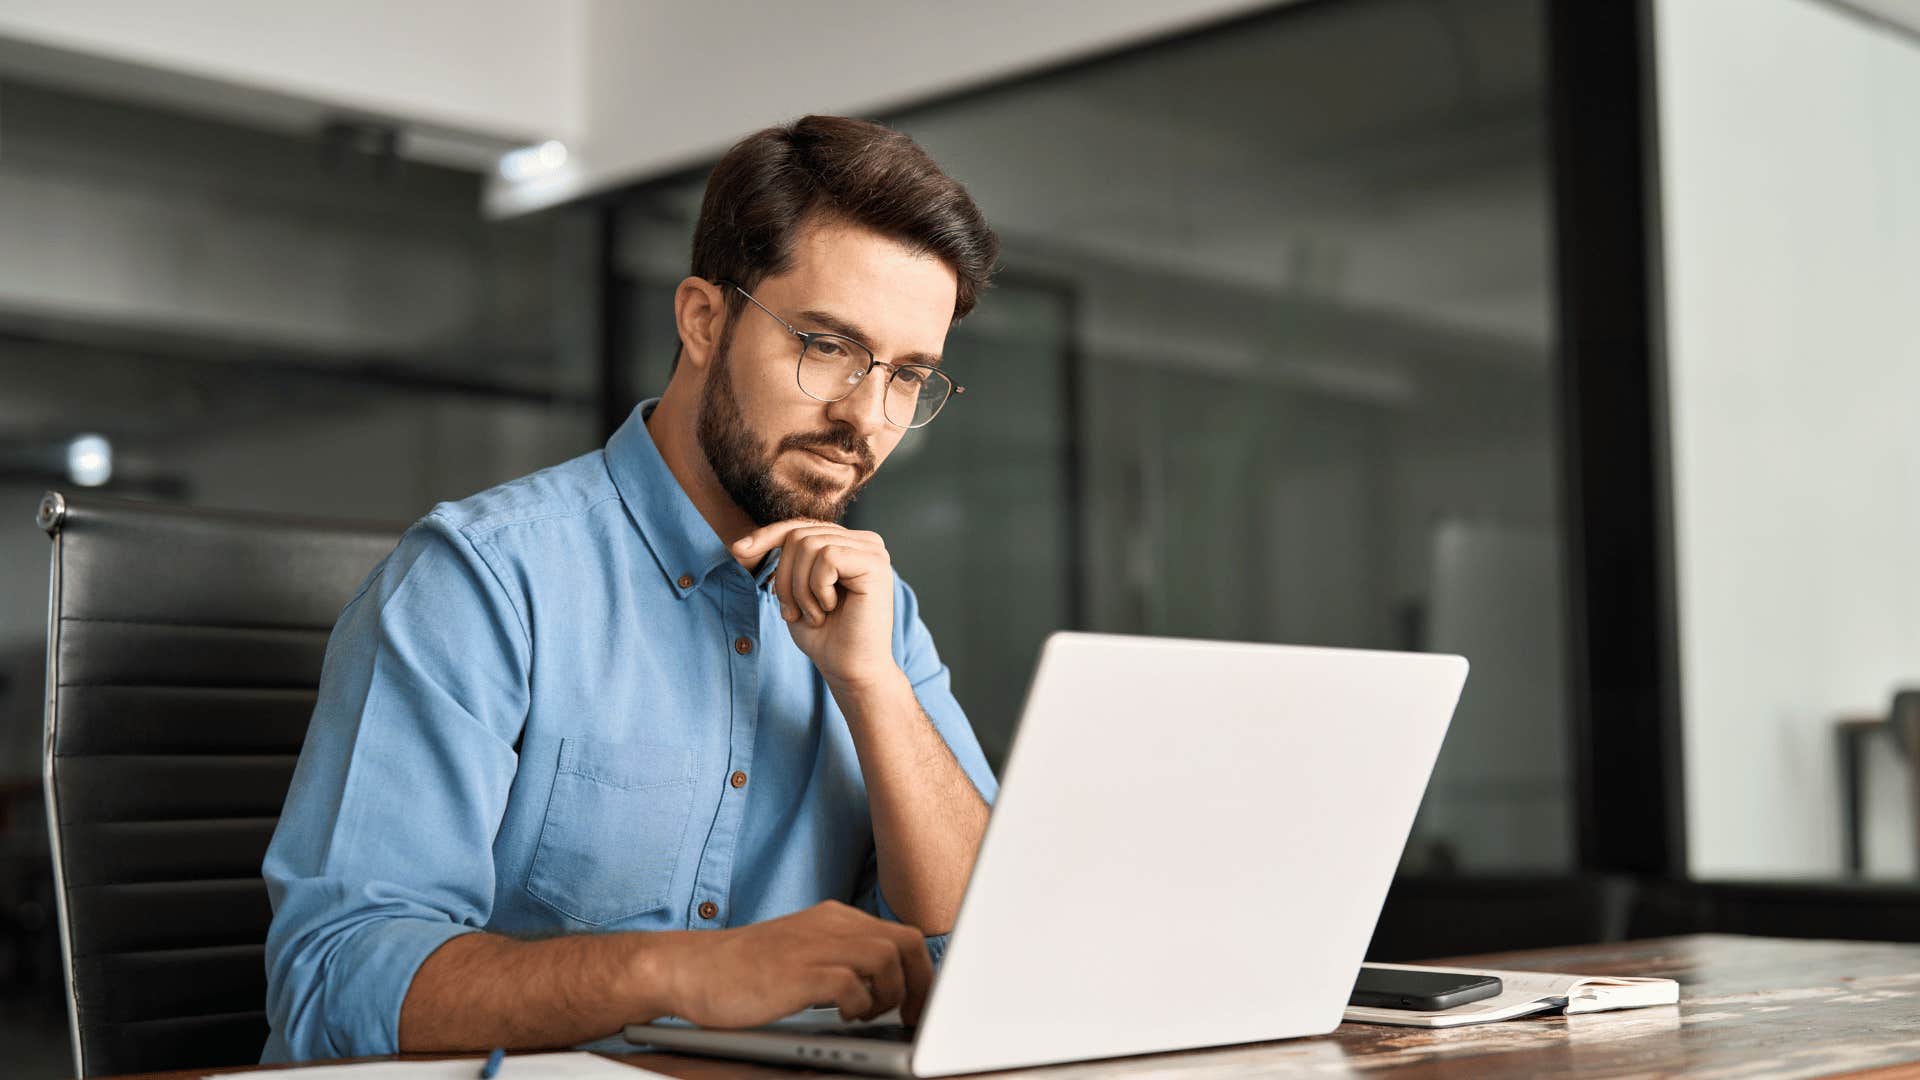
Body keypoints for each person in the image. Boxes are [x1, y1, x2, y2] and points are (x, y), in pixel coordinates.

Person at [261, 115, 1001, 1061]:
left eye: (908, 375)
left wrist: (877, 693)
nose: (866, 415)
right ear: (703, 320)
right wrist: (677, 974)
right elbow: (334, 978)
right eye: (826, 345)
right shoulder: (483, 581)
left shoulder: (879, 624)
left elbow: (983, 961)